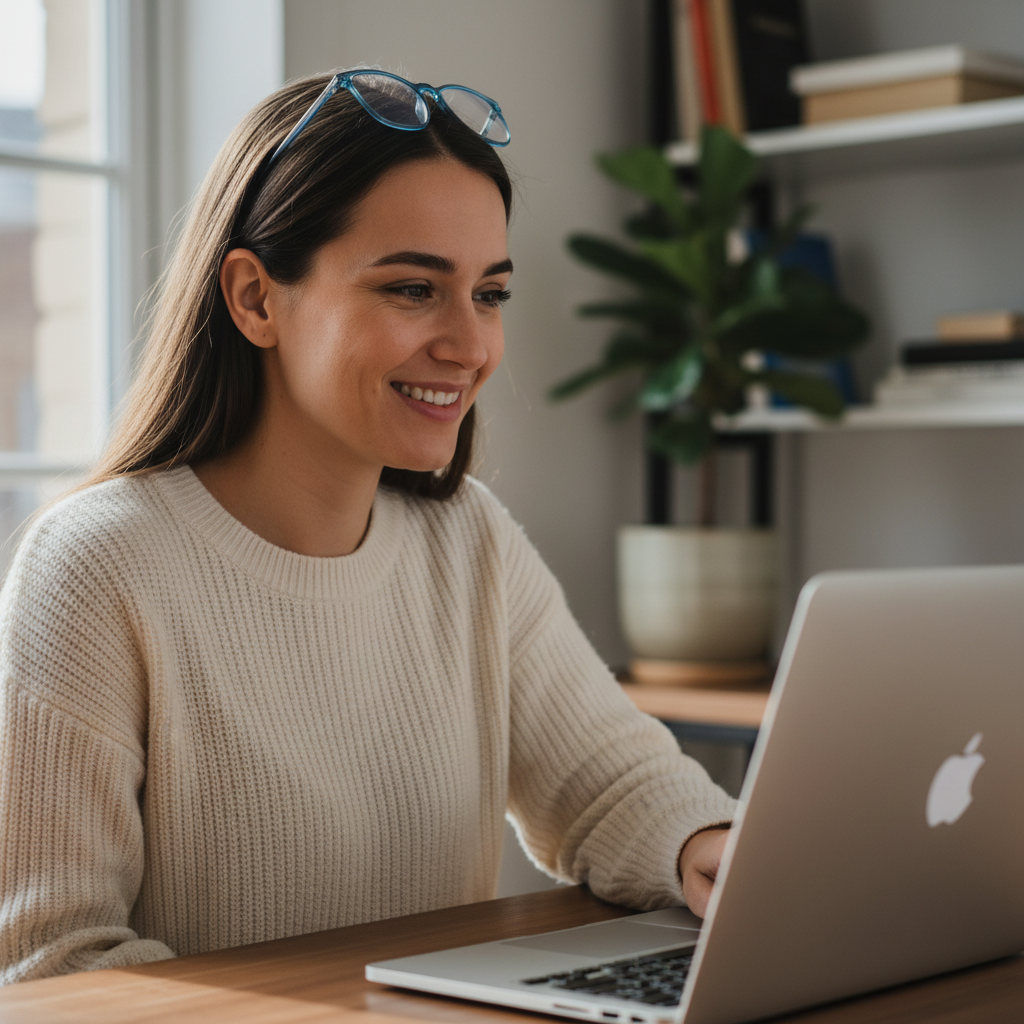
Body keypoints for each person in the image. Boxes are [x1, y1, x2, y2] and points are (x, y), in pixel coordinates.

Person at [0, 69, 734, 983]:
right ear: (255, 299)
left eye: (490, 294)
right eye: (412, 290)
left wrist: (707, 843)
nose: (470, 346)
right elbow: (57, 960)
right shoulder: (96, 566)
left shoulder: (466, 540)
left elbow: (609, 785)